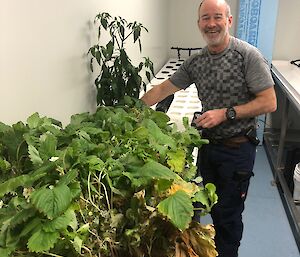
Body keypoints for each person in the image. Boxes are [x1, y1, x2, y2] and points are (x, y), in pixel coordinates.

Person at [140, 0, 277, 256]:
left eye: (217, 17)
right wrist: (132, 110)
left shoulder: (247, 56)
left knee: (228, 217)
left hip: (237, 150)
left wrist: (226, 113)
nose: (211, 24)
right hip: (208, 148)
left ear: (229, 21)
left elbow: (269, 102)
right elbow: (163, 89)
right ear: (199, 24)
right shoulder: (197, 62)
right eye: (205, 18)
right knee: (204, 207)